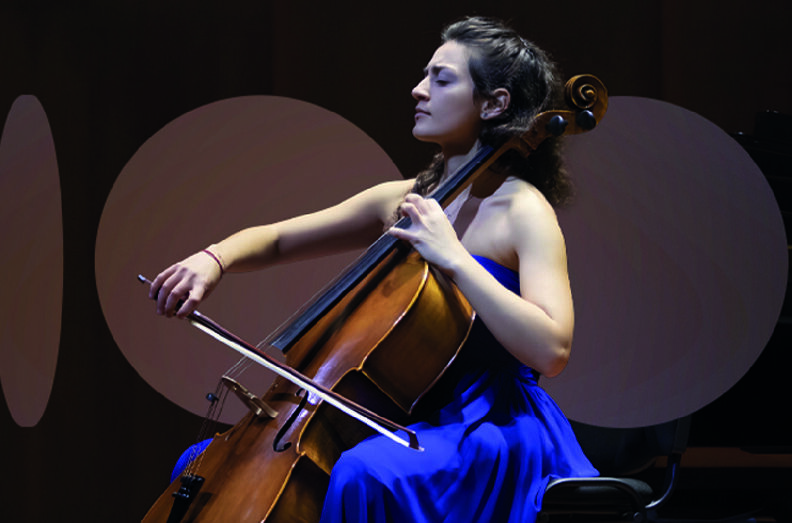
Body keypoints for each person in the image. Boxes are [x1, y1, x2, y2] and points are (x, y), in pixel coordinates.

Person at [150, 16, 597, 523]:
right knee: (202, 462)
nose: (418, 89)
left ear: (494, 103)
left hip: (486, 424)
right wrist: (214, 259)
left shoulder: (521, 210)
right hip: (399, 415)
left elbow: (552, 349)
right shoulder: (405, 199)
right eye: (425, 76)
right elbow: (278, 239)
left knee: (364, 473)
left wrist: (454, 258)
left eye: (441, 79)